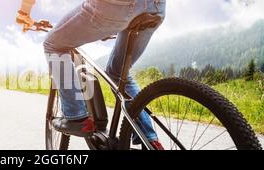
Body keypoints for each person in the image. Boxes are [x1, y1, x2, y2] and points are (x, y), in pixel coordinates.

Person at [16, 0, 166, 150]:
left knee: (53, 45)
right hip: (156, 7)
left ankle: (76, 117)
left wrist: (24, 13)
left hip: (115, 6)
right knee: (118, 72)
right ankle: (150, 139)